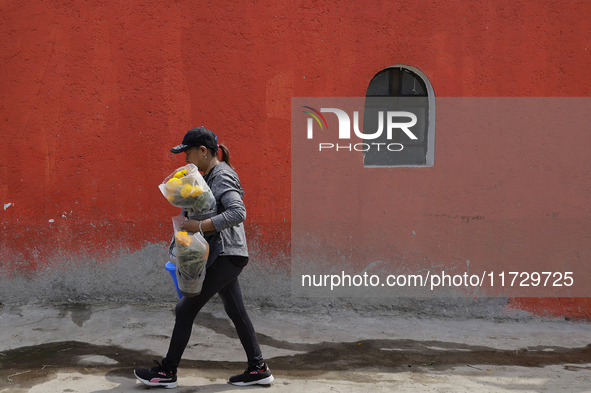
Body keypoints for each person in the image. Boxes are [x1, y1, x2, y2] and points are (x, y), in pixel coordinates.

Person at [134, 127, 274, 389]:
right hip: (222, 255)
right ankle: (258, 369)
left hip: (227, 254)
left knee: (185, 309)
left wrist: (197, 227)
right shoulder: (205, 176)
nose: (185, 158)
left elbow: (237, 212)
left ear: (203, 151)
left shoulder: (222, 175)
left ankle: (167, 372)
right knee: (236, 311)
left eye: (188, 152)